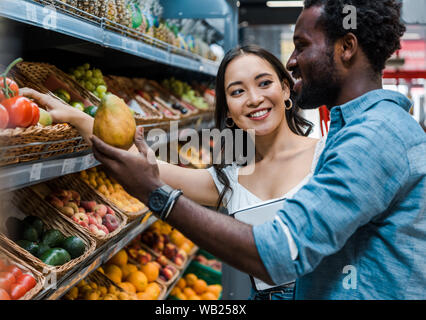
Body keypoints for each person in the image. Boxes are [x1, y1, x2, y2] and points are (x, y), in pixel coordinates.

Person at [86, 0, 425, 299]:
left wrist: (155, 194)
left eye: (301, 46)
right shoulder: (353, 133)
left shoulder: (372, 138)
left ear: (346, 47)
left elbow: (280, 251)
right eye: (236, 91)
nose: (291, 62)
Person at [21, 44, 325, 300]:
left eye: (264, 83)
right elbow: (135, 157)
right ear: (229, 109)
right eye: (237, 91)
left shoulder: (327, 155)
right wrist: (74, 115)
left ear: (285, 88)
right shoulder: (228, 179)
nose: (254, 98)